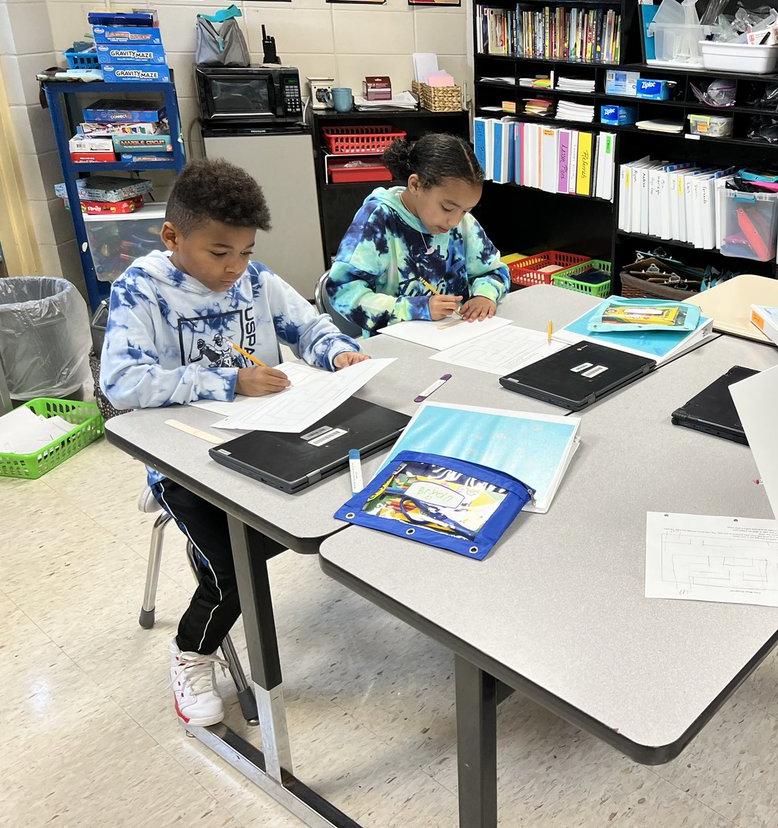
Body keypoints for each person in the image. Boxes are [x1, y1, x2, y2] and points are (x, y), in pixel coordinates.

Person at [100, 158, 369, 727]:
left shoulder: (254, 277)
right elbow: (121, 384)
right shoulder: (140, 292)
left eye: (244, 251)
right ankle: (191, 653)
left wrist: (336, 352)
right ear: (172, 236)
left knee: (349, 500)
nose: (233, 268)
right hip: (185, 456)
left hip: (269, 438)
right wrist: (227, 381)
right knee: (233, 564)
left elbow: (308, 323)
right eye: (219, 253)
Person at [326, 132, 510, 333]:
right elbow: (342, 291)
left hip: (457, 335)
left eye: (466, 210)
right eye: (447, 208)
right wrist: (416, 308)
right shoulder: (378, 221)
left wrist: (484, 295)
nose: (455, 220)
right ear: (415, 185)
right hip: (399, 342)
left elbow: (494, 270)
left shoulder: (461, 222)